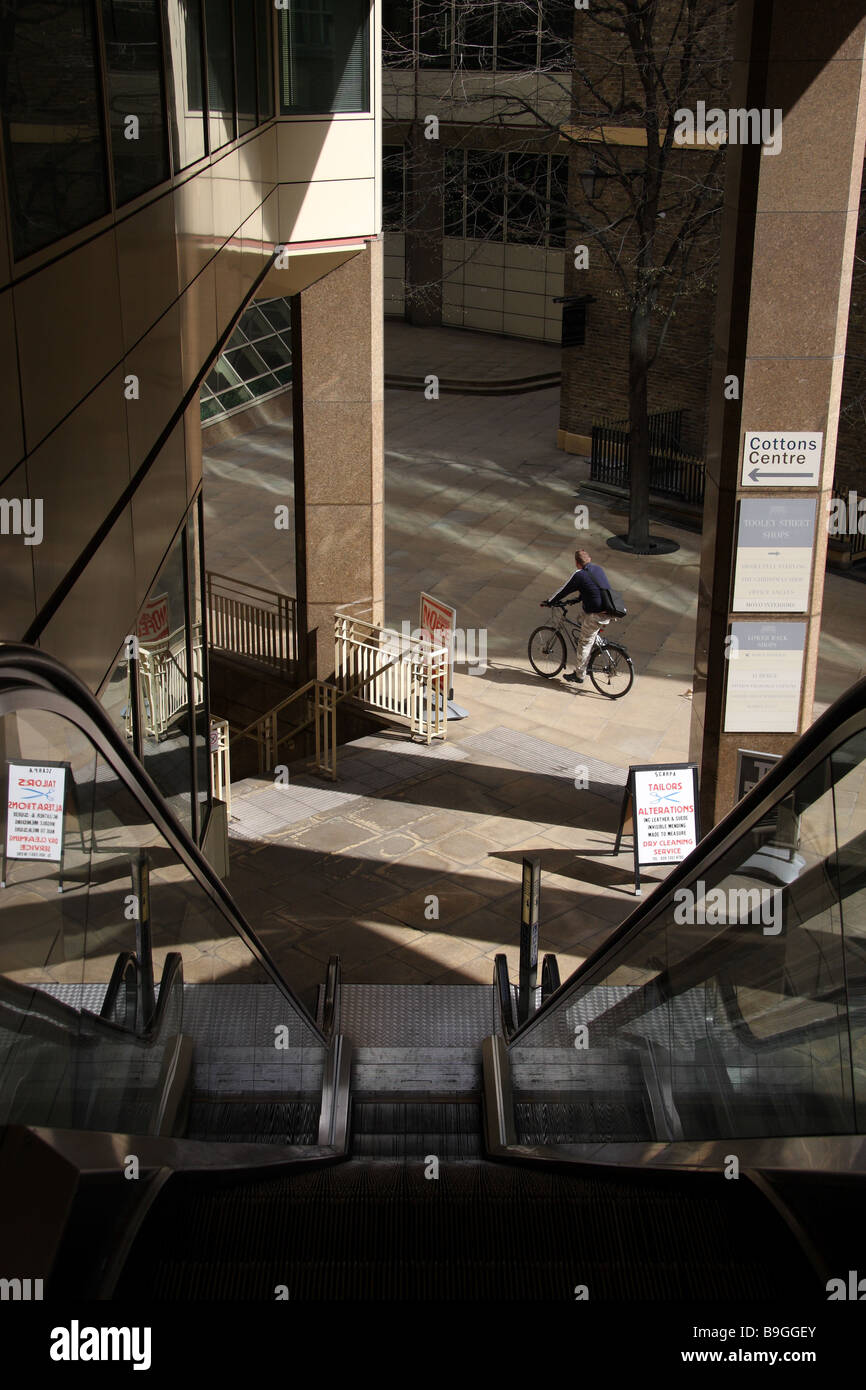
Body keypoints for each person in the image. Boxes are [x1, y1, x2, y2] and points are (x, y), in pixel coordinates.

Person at [541, 548, 612, 683]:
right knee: (581, 619)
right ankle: (596, 640)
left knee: (583, 644)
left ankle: (579, 675)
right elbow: (593, 589)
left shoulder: (579, 574)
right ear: (589, 559)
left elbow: (564, 590)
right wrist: (578, 599)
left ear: (577, 563)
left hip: (596, 614)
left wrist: (550, 602)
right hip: (607, 609)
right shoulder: (598, 569)